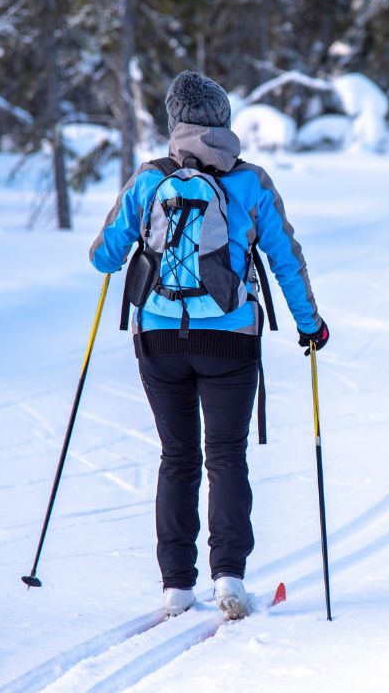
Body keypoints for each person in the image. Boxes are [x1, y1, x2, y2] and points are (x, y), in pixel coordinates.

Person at [89, 70, 328, 619]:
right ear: (224, 120)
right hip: (230, 341)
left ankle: (176, 585)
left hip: (158, 339)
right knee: (226, 457)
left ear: (175, 124)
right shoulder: (251, 181)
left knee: (177, 458)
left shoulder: (151, 179)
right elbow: (285, 259)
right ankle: (230, 580)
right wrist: (309, 324)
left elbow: (103, 256)